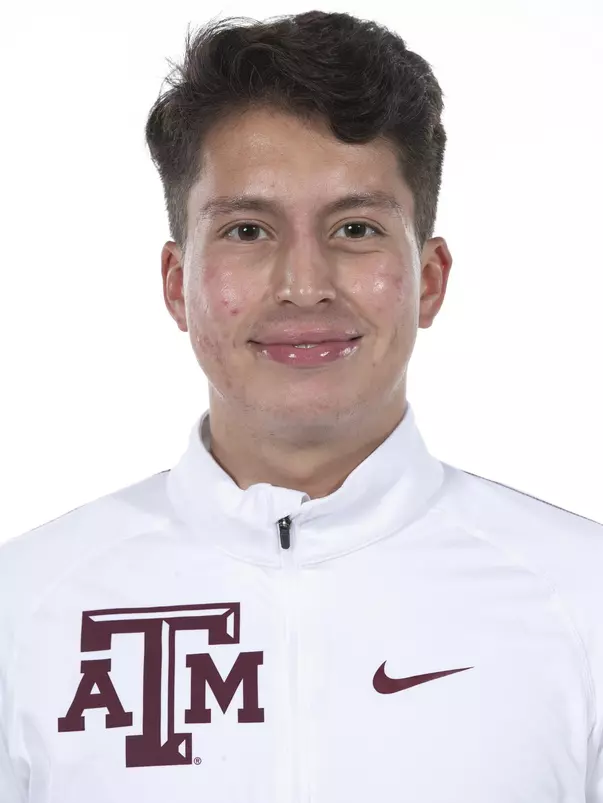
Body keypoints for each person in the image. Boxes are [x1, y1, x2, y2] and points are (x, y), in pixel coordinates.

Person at [1, 9, 602, 802]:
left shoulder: (581, 600)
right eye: (248, 229)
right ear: (177, 283)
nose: (303, 283)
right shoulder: (24, 610)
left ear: (428, 278)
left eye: (354, 227)